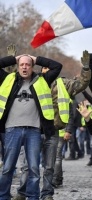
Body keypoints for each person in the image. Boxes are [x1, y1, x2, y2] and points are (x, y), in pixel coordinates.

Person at [12, 50, 91, 200]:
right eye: (45, 68)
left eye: (49, 68)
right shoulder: (32, 82)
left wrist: (86, 69)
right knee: (28, 166)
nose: (48, 70)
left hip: (53, 131)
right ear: (41, 70)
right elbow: (10, 83)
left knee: (50, 166)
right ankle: (22, 192)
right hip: (32, 130)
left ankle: (47, 193)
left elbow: (81, 84)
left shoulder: (63, 84)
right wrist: (12, 64)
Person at [0, 53, 62, 200]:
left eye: (28, 64)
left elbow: (57, 66)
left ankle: (33, 197)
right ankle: (3, 196)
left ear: (32, 66)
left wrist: (37, 59)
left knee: (34, 168)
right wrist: (14, 58)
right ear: (17, 67)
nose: (24, 67)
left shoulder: (42, 80)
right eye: (21, 65)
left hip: (33, 131)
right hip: (12, 129)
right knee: (8, 167)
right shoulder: (8, 79)